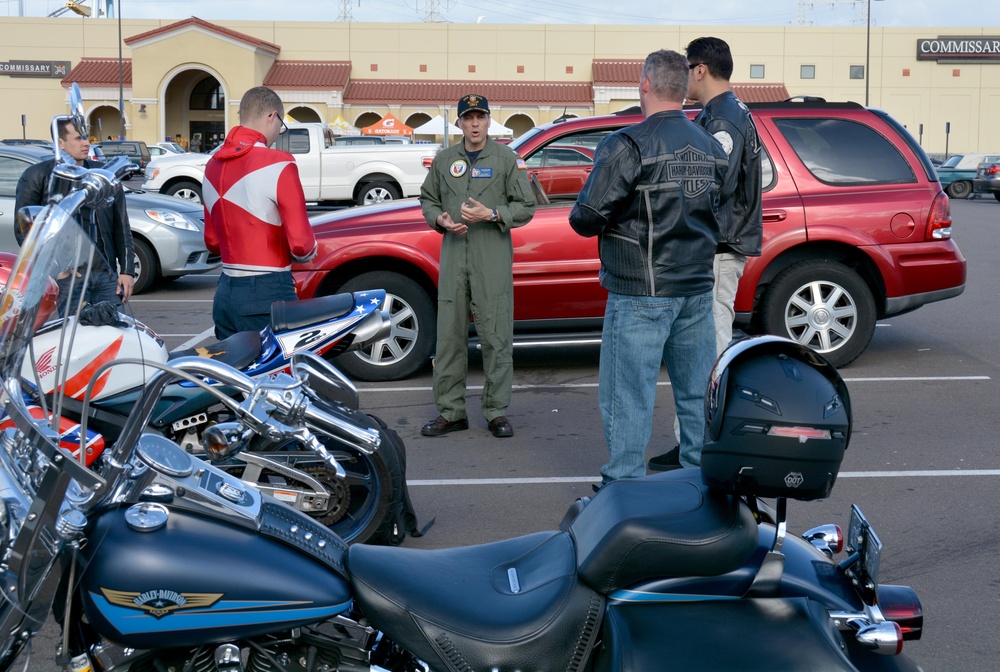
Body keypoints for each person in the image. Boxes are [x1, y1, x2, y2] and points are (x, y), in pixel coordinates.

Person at [569, 49, 727, 483]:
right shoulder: (712, 147)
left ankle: (623, 486)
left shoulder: (628, 144)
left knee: (628, 395)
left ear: (644, 85)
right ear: (682, 88)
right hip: (695, 288)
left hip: (641, 289)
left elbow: (586, 216)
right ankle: (701, 485)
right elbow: (722, 215)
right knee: (697, 395)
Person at [649, 36, 764, 472]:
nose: (683, 80)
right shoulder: (727, 113)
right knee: (703, 350)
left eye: (687, 69)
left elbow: (714, 185)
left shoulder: (724, 120)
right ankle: (693, 445)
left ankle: (697, 451)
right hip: (718, 246)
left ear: (700, 69)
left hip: (716, 248)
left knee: (707, 354)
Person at [419, 93, 535, 439]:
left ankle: (496, 410)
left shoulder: (506, 159)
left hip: (491, 257)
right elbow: (428, 199)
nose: (474, 124)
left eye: (480, 117)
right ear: (458, 123)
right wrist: (438, 219)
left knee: (496, 335)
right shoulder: (444, 161)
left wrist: (493, 214)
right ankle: (451, 412)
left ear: (488, 121)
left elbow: (526, 206)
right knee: (449, 338)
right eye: (468, 118)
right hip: (454, 255)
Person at [202, 85, 317, 340]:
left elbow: (211, 242)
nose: (278, 133)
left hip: (225, 291)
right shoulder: (278, 162)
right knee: (278, 375)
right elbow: (301, 245)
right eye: (281, 125)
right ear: (271, 116)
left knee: (236, 376)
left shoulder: (212, 166)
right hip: (268, 289)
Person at [15, 118, 135, 306]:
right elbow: (25, 232)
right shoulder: (37, 176)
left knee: (115, 332)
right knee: (75, 333)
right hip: (70, 279)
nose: (86, 143)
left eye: (86, 137)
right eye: (79, 138)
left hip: (105, 275)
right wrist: (56, 270)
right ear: (60, 144)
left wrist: (127, 271)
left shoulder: (103, 176)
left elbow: (121, 227)